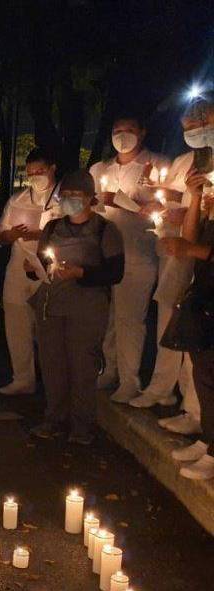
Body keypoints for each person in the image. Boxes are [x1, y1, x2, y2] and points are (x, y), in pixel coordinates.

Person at [27, 171, 124, 444]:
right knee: (52, 365)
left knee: (83, 366)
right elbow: (43, 265)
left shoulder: (105, 230)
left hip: (87, 307)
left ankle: (82, 426)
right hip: (51, 304)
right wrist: (32, 270)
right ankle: (54, 419)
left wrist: (82, 273)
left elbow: (116, 273)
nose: (69, 200)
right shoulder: (52, 228)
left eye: (76, 196)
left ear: (90, 198)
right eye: (65, 195)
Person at [90, 116, 171, 404]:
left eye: (129, 130)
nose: (122, 136)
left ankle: (129, 380)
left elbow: (163, 210)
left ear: (142, 132)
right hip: (104, 256)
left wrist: (124, 202)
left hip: (138, 255)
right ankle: (109, 370)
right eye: (116, 131)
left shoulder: (158, 166)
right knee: (108, 319)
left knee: (129, 321)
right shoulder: (100, 169)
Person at [145, 100, 212, 435]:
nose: (196, 131)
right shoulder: (189, 162)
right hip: (189, 256)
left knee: (204, 346)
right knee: (187, 334)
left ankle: (203, 420)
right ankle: (192, 408)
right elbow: (183, 207)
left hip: (204, 256)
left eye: (202, 123)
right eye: (189, 127)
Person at [158, 127, 214, 479]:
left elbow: (194, 247)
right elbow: (192, 236)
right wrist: (195, 199)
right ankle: (207, 440)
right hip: (205, 290)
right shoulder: (205, 187)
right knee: (204, 370)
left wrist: (190, 250)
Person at [0, 148, 60, 395]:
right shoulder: (18, 200)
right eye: (31, 173)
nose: (35, 177)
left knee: (48, 328)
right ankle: (23, 378)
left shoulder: (63, 198)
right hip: (18, 267)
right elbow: (2, 234)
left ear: (53, 168)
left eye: (41, 171)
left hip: (50, 268)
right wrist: (12, 235)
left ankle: (54, 381)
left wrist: (40, 236)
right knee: (17, 324)